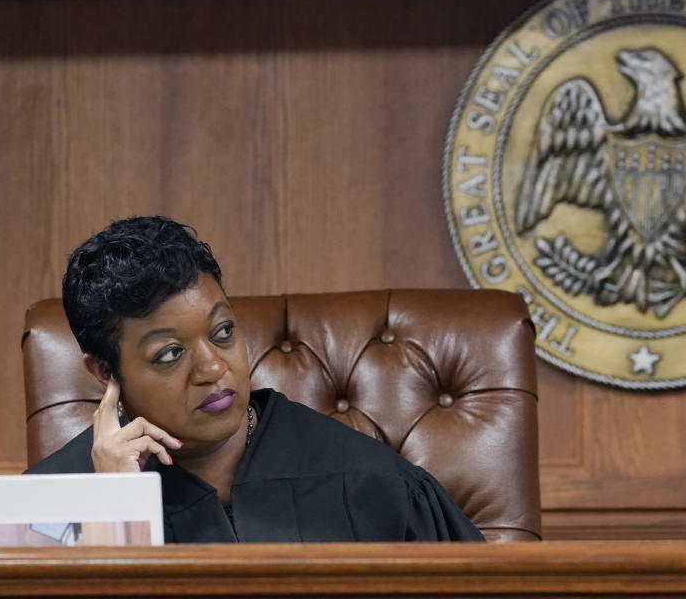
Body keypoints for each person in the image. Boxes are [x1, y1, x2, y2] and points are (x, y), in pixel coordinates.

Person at [26, 216, 484, 543]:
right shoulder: (45, 508)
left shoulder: (372, 482)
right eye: (170, 353)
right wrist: (112, 514)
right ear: (106, 371)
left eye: (223, 332)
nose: (212, 368)